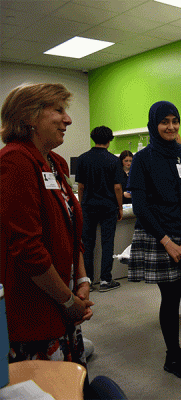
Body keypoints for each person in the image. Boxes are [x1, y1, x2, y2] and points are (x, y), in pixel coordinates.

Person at [0, 83, 93, 367]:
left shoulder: (56, 164)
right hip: (36, 305)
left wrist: (82, 279)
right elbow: (28, 247)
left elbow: (70, 229)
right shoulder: (15, 162)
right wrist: (68, 302)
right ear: (29, 116)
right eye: (59, 110)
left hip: (63, 299)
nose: (68, 119)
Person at [128, 101, 181, 380]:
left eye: (175, 120)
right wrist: (166, 240)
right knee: (171, 297)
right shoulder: (142, 160)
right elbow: (140, 205)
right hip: (159, 235)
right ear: (154, 124)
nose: (171, 127)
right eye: (165, 121)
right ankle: (172, 356)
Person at [76, 126, 123, 292]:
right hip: (108, 207)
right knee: (107, 242)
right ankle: (105, 280)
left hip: (88, 207)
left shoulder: (82, 159)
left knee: (87, 244)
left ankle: (87, 281)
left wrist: (82, 205)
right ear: (109, 140)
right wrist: (120, 207)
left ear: (93, 138)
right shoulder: (114, 160)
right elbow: (117, 187)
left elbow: (80, 187)